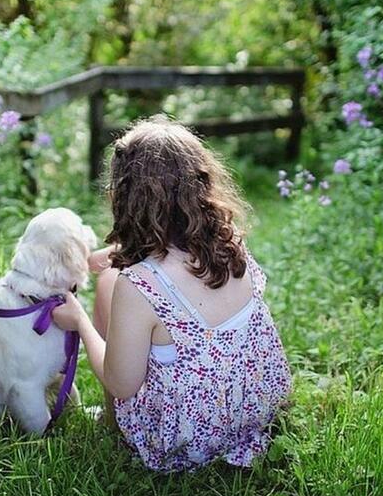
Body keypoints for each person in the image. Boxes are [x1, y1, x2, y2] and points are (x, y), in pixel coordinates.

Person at [52, 116, 292, 472]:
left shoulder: (137, 286)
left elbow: (122, 383)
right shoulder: (230, 246)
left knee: (107, 284)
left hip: (186, 439)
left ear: (126, 196)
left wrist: (81, 323)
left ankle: (113, 422)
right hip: (253, 412)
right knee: (113, 279)